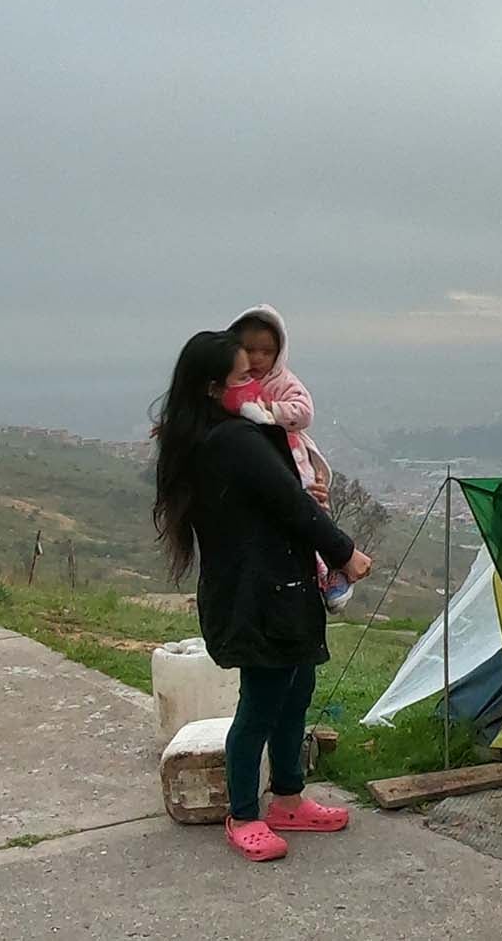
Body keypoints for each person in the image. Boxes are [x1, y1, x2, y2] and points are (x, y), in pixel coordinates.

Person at [152, 330, 372, 863]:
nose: (252, 384)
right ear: (211, 388)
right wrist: (344, 552)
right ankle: (245, 812)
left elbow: (278, 499)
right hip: (259, 596)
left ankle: (290, 797)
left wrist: (302, 494)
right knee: (263, 700)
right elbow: (288, 507)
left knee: (296, 689)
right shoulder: (232, 440)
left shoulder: (221, 435)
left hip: (279, 586)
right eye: (240, 378)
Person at [228, 304, 355, 614]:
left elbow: (304, 412)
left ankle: (332, 572)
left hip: (293, 455)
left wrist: (271, 412)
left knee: (308, 509)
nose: (257, 358)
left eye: (266, 351)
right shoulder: (234, 383)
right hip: (266, 465)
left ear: (279, 353)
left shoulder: (282, 382)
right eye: (249, 349)